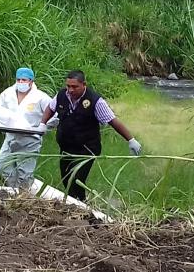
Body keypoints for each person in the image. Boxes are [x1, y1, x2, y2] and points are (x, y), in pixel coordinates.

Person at [37, 70, 141, 201]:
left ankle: (78, 204)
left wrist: (131, 140)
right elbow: (50, 108)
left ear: (84, 84)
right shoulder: (62, 95)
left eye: (74, 86)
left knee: (76, 179)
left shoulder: (95, 101)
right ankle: (77, 202)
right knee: (66, 179)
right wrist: (43, 123)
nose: (70, 90)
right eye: (68, 86)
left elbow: (112, 121)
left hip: (86, 149)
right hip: (66, 147)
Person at [0, 67, 52, 189]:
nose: (21, 82)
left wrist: (43, 126)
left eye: (24, 80)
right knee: (1, 166)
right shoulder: (7, 94)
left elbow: (54, 115)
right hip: (10, 137)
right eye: (18, 79)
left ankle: (23, 193)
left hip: (30, 139)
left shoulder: (40, 97)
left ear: (31, 81)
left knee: (25, 173)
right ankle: (14, 188)